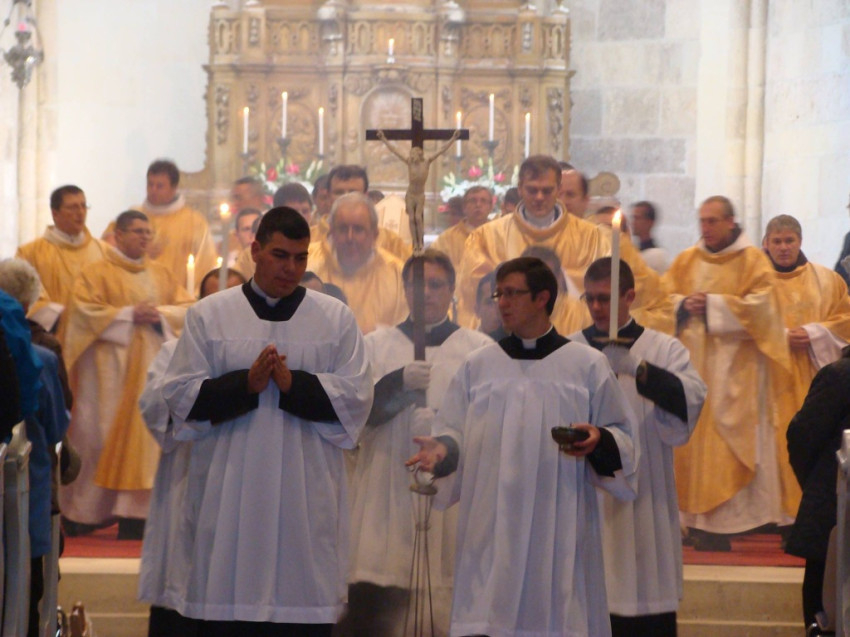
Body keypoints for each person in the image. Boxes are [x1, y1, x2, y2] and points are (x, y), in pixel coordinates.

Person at [158, 207, 373, 634]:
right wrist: (245, 385)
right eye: (280, 255)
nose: (290, 268)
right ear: (255, 250)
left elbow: (357, 399)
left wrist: (294, 386)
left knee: (301, 606)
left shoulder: (334, 319)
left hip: (304, 499)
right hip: (228, 495)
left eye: (300, 257)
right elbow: (180, 397)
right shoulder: (210, 315)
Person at [408, 256, 636, 637]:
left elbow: (624, 437)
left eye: (512, 293)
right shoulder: (479, 365)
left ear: (542, 298)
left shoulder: (586, 365)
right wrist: (443, 452)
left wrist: (600, 440)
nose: (502, 302)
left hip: (557, 523)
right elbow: (454, 430)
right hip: (490, 525)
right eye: (499, 294)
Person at [342, 249, 492, 637]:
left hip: (449, 491)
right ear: (405, 289)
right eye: (418, 285)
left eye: (436, 285)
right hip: (387, 487)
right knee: (380, 604)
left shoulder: (477, 349)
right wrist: (397, 384)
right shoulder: (376, 345)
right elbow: (355, 418)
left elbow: (488, 425)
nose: (426, 294)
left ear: (452, 289)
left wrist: (445, 431)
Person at [570, 258, 706, 637]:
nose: (596, 307)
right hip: (586, 497)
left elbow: (690, 399)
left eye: (605, 298)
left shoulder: (662, 349)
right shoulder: (570, 350)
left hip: (646, 497)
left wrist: (637, 368)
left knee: (644, 600)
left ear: (629, 296)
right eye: (590, 298)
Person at [662, 196, 791, 550]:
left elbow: (766, 308)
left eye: (713, 221)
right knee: (691, 442)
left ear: (731, 222)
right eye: (702, 221)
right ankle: (690, 522)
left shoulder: (753, 261)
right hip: (692, 366)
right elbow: (660, 300)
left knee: (725, 444)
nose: (705, 228)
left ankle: (722, 525)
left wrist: (715, 305)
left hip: (735, 372)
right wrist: (682, 304)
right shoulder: (686, 260)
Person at [60, 211, 194, 539]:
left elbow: (188, 308)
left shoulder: (161, 273)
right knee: (97, 439)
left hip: (150, 370)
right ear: (118, 235)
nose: (145, 237)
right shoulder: (95, 273)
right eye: (137, 231)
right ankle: (86, 513)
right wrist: (127, 314)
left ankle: (137, 516)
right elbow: (80, 313)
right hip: (107, 373)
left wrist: (159, 315)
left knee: (147, 443)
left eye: (148, 231)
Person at [137, 264, 244, 637]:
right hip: (187, 489)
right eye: (211, 299)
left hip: (240, 491)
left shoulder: (263, 356)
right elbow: (155, 409)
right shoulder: (174, 353)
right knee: (183, 587)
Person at [456, 154, 673, 332]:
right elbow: (470, 303)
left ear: (558, 189)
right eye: (532, 189)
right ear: (520, 188)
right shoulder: (485, 239)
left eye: (547, 190)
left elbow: (654, 302)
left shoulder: (599, 239)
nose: (539, 197)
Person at [763, 214, 850, 522]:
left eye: (789, 240)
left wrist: (815, 334)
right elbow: (742, 324)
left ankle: (801, 515)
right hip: (768, 381)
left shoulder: (827, 280)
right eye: (777, 241)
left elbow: (846, 320)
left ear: (800, 241)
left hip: (813, 380)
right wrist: (778, 337)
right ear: (766, 243)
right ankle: (773, 516)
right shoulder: (755, 284)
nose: (784, 247)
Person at [785, 345, 850, 630]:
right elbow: (802, 437)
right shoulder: (841, 377)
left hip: (833, 512)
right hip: (834, 516)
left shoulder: (839, 376)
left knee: (825, 610)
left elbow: (801, 438)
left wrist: (817, 486)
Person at [15, 184, 110, 335]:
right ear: (55, 214)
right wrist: (63, 316)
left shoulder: (104, 251)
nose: (80, 212)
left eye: (84, 206)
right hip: (52, 336)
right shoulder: (29, 253)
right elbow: (24, 296)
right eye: (73, 207)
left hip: (94, 338)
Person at [308, 193, 407, 334]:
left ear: (374, 235)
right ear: (332, 232)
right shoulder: (308, 263)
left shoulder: (398, 275)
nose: (350, 238)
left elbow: (404, 337)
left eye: (358, 229)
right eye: (343, 229)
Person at [134, 159, 217, 296]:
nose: (153, 190)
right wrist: (140, 253)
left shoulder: (194, 221)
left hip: (180, 300)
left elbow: (206, 264)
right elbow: (113, 253)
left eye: (159, 186)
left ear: (174, 188)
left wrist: (193, 298)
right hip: (138, 298)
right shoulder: (134, 217)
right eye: (150, 184)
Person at [376, 130, 460, 253]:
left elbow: (441, 150)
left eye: (414, 154)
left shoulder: (427, 161)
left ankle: (420, 242)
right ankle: (414, 243)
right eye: (411, 154)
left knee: (418, 218)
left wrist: (453, 138)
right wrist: (383, 139)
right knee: (411, 219)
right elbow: (395, 151)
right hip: (410, 194)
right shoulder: (409, 162)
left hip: (419, 195)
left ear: (419, 154)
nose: (412, 156)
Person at [311, 165, 410, 261]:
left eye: (353, 192)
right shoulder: (309, 238)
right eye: (339, 192)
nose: (346, 198)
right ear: (328, 196)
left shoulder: (391, 242)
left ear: (365, 196)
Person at [430, 185, 493, 270]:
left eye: (483, 201)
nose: (478, 205)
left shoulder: (498, 235)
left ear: (490, 207)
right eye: (473, 201)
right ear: (464, 207)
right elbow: (434, 266)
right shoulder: (446, 238)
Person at [630, 201, 670, 273]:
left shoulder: (658, 257)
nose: (633, 222)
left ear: (650, 222)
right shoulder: (632, 250)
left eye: (637, 218)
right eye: (633, 218)